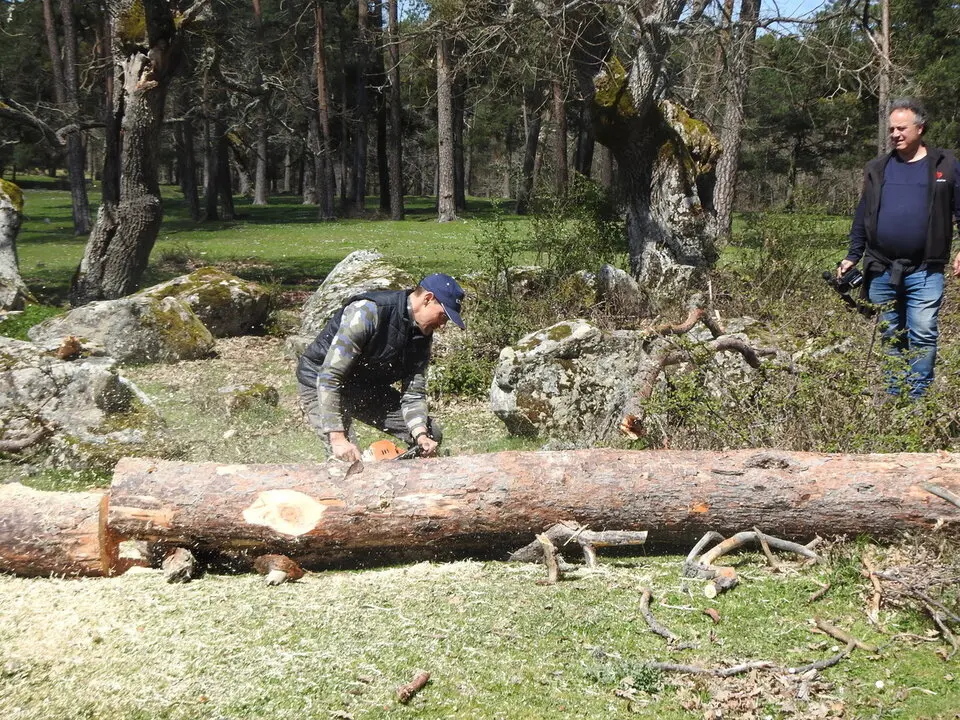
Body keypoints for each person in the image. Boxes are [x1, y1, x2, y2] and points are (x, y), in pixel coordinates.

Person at [839, 98, 960, 398]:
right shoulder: (878, 168)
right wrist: (853, 255)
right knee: (890, 335)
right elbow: (863, 214)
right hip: (881, 268)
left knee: (922, 332)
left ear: (920, 128)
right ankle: (895, 397)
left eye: (901, 128)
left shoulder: (945, 165)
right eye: (891, 129)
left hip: (926, 268)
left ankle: (918, 401)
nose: (895, 134)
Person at [296, 273, 466, 462]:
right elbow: (330, 376)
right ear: (427, 299)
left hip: (362, 385)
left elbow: (414, 394)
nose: (442, 325)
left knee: (431, 433)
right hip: (320, 380)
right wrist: (337, 437)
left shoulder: (422, 336)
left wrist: (421, 436)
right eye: (443, 315)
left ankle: (398, 481)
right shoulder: (368, 312)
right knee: (347, 459)